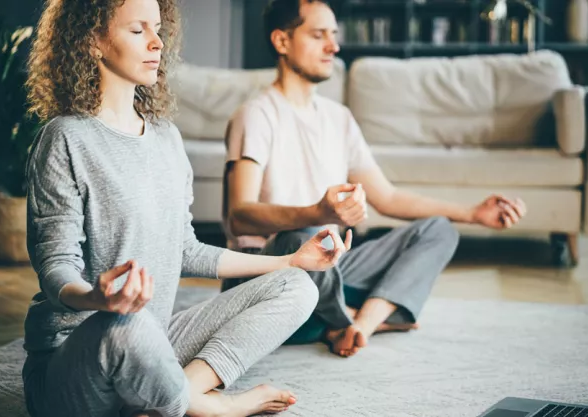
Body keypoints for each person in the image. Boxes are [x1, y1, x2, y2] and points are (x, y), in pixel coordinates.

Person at [21, 1, 354, 416]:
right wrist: (98, 298)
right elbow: (55, 268)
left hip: (154, 340)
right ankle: (213, 407)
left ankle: (173, 395)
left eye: (158, 29)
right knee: (130, 327)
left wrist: (292, 259)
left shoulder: (166, 138)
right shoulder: (65, 138)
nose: (157, 43)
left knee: (297, 284)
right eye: (137, 30)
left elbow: (187, 250)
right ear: (92, 41)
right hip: (79, 357)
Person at [223, 0, 527, 358]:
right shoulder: (256, 115)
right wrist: (316, 213)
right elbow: (239, 214)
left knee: (438, 230)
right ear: (281, 41)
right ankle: (344, 318)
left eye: (334, 36)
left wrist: (472, 213)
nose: (333, 47)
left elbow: (388, 198)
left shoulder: (339, 119)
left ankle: (359, 325)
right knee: (308, 236)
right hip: (267, 272)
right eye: (318, 35)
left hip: (327, 268)